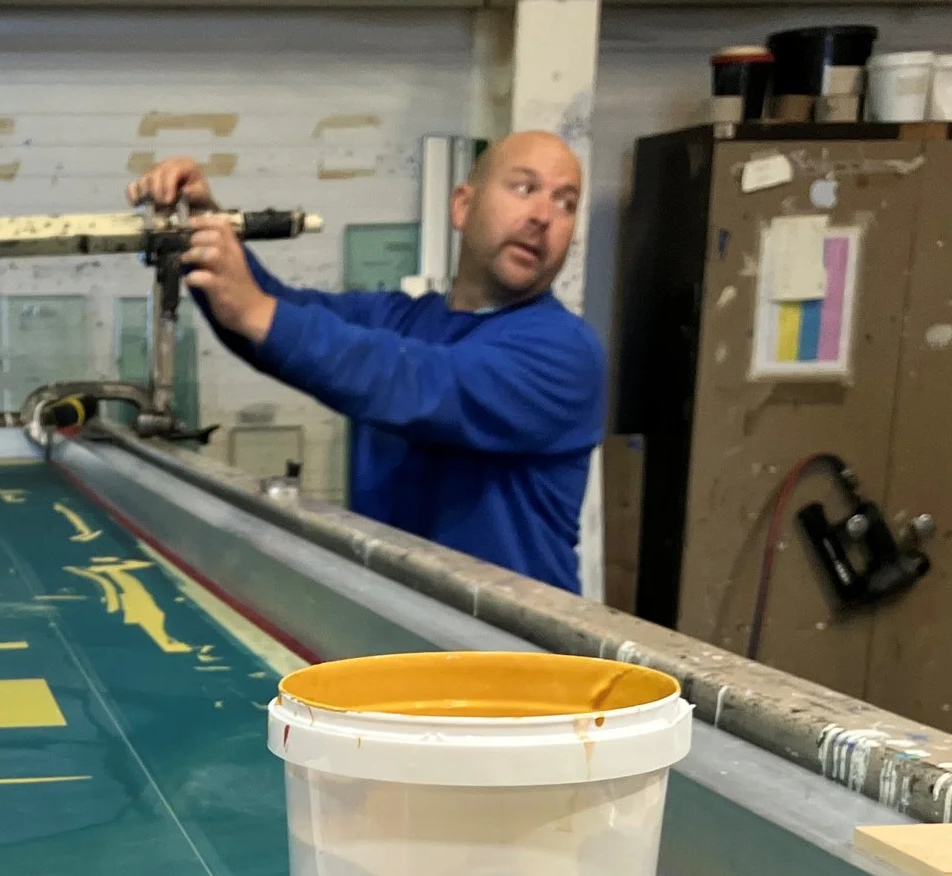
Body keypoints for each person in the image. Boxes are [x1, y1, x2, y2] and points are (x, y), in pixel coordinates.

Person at [128, 132, 604, 592]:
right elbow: (278, 316)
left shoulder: (564, 352)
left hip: (515, 655)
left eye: (565, 203)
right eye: (524, 188)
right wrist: (205, 230)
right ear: (462, 206)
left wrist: (257, 312)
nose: (543, 215)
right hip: (398, 623)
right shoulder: (402, 320)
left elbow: (418, 384)